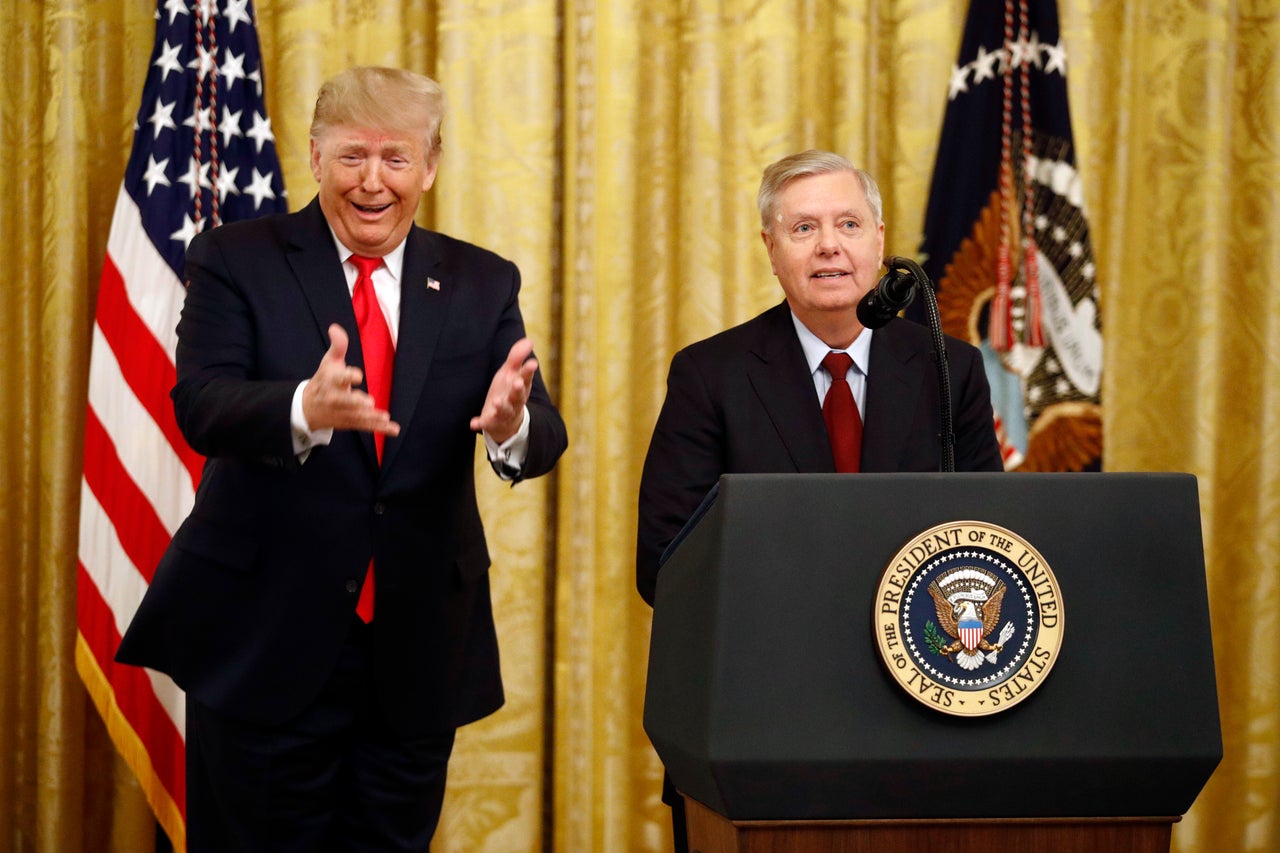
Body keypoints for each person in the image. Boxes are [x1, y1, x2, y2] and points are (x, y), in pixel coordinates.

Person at [116, 66, 567, 851]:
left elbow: (542, 434)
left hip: (415, 651)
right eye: (352, 156)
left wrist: (510, 424)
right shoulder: (236, 257)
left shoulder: (479, 279)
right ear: (316, 157)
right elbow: (201, 404)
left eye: (396, 158)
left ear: (429, 166)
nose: (373, 182)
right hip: (262, 644)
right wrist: (299, 408)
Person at [636, 150, 1002, 850]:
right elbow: (665, 563)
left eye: (848, 223)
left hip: (927, 721)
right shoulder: (710, 375)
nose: (830, 244)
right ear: (771, 249)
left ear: (879, 240)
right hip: (762, 722)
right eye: (803, 228)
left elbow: (988, 536)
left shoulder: (949, 370)